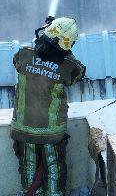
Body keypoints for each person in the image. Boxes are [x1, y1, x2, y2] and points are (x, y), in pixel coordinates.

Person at [10, 16, 86, 196]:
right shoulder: (67, 65)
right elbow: (79, 73)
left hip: (23, 130)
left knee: (29, 169)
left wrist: (41, 46)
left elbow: (17, 62)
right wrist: (65, 52)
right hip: (51, 133)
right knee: (54, 171)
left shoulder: (24, 54)